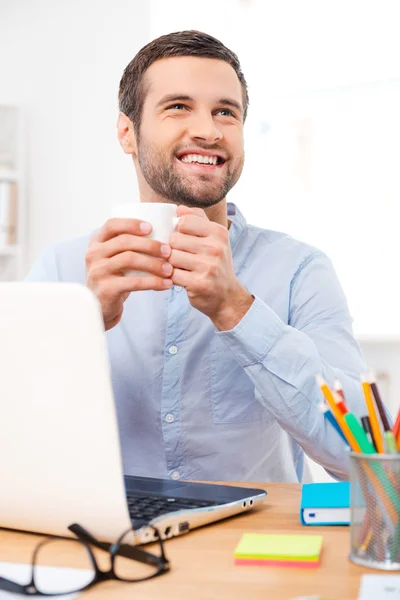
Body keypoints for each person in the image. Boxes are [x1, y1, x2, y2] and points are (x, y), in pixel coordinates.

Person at [26, 30, 368, 483]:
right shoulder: (62, 271)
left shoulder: (299, 271)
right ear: (127, 133)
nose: (208, 130)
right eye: (178, 107)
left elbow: (359, 457)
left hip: (250, 549)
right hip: (104, 544)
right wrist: (80, 330)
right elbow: (17, 442)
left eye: (226, 112)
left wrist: (237, 310)